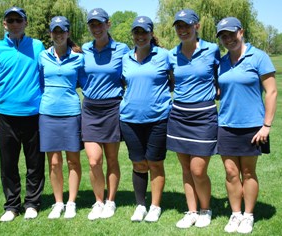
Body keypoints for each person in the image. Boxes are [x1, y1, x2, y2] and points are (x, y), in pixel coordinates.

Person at [216, 17, 277, 234]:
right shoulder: (222, 62)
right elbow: (219, 90)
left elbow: (271, 92)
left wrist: (266, 125)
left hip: (253, 126)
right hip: (226, 124)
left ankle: (248, 215)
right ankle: (235, 214)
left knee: (249, 172)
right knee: (231, 172)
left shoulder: (258, 57)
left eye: (231, 34)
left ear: (241, 32)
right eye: (223, 36)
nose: (228, 39)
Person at [0, 6, 45, 221]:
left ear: (25, 23)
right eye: (10, 20)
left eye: (18, 20)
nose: (15, 24)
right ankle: (11, 206)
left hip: (34, 113)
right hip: (5, 114)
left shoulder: (38, 46)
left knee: (35, 162)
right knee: (8, 163)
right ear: (5, 24)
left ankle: (32, 203)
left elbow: (44, 77)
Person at [166, 9, 220, 228]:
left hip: (204, 115)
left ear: (196, 26)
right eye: (179, 26)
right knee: (186, 169)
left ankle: (205, 209)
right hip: (178, 115)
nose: (183, 30)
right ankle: (191, 211)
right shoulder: (171, 54)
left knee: (198, 169)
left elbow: (221, 77)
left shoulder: (212, 49)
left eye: (187, 25)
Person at [120, 16, 172, 222]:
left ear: (151, 34)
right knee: (138, 163)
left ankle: (155, 206)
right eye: (137, 32)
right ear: (132, 35)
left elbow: (175, 80)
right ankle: (141, 205)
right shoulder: (125, 58)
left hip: (158, 118)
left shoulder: (165, 56)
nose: (140, 36)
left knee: (155, 163)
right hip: (130, 119)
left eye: (144, 32)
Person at [81, 8, 129, 220]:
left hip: (112, 108)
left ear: (108, 24)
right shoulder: (85, 49)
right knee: (94, 160)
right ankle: (98, 201)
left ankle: (110, 201)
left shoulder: (122, 49)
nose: (96, 28)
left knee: (111, 158)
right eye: (92, 24)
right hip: (90, 108)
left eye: (100, 24)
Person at [38, 16, 84, 219]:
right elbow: (39, 82)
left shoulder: (78, 58)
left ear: (68, 33)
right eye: (55, 31)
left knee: (73, 160)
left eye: (62, 31)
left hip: (71, 113)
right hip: (47, 113)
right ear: (51, 34)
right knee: (54, 162)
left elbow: (84, 82)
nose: (58, 35)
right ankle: (58, 203)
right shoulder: (42, 56)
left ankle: (72, 202)